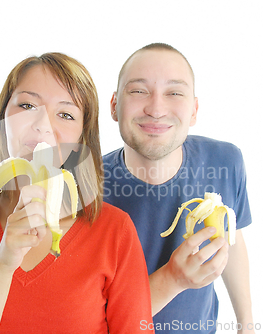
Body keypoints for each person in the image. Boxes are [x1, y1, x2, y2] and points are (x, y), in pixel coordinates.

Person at [0, 52, 154, 334]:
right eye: (27, 105)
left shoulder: (115, 230)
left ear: (81, 140)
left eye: (65, 114)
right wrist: (2, 264)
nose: (43, 125)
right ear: (2, 119)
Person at [103, 43, 254, 334]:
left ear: (194, 110)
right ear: (113, 106)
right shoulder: (84, 189)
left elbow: (230, 241)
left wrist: (246, 325)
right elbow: (93, 314)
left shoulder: (225, 161)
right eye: (137, 91)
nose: (156, 108)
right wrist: (174, 279)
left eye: (174, 93)